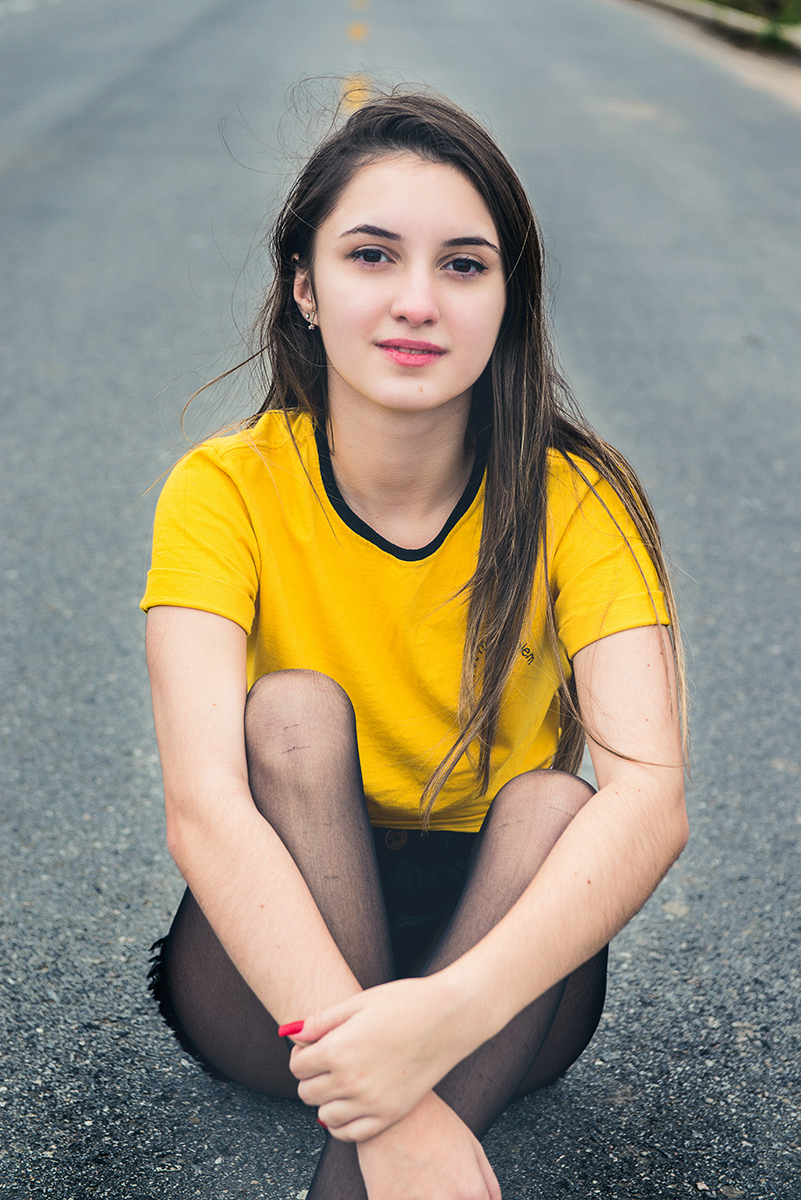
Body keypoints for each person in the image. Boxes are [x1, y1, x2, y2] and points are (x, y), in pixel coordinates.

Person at [141, 88, 688, 1200]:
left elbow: (651, 800)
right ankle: (396, 1136)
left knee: (556, 804)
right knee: (289, 716)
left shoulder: (577, 499)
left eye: (464, 265)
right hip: (274, 959)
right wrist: (396, 1103)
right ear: (304, 287)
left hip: (501, 976)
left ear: (507, 299)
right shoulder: (224, 489)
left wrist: (441, 1018)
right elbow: (204, 809)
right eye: (372, 255)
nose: (417, 302)